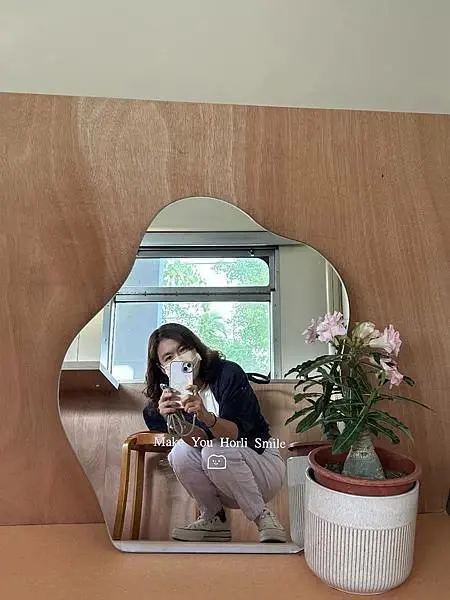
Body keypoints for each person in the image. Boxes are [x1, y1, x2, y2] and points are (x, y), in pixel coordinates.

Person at [143, 323, 287, 543]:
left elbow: (233, 434)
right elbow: (197, 441)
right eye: (169, 357)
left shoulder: (228, 374)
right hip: (220, 479)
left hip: (261, 464)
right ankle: (214, 518)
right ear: (162, 368)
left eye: (183, 349)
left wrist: (205, 415)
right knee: (180, 452)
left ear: (196, 349)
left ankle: (262, 516)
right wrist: (173, 418)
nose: (180, 360)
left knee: (215, 450)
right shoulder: (163, 403)